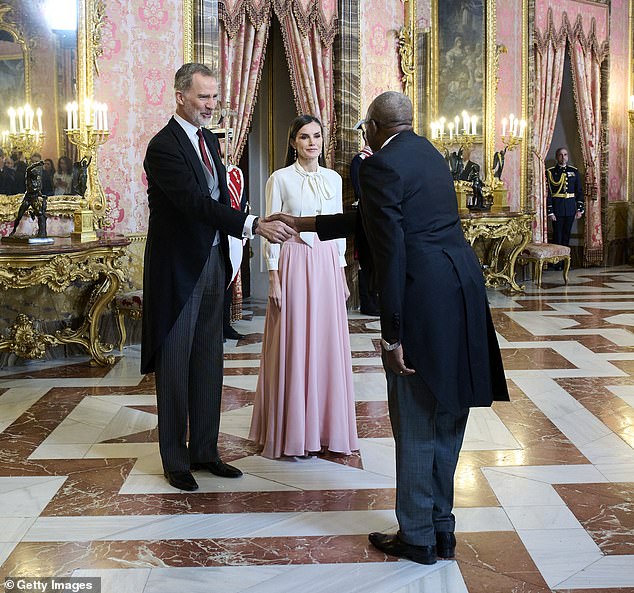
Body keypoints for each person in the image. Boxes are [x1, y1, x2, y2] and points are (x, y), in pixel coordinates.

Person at [269, 92, 509, 565]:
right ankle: (442, 530)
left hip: (422, 299)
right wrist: (302, 222)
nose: (365, 136)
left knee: (416, 417)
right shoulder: (429, 154)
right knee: (448, 416)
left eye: (365, 129)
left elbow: (393, 251)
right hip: (461, 292)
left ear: (375, 127)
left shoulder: (379, 165)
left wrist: (392, 334)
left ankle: (417, 536)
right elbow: (370, 219)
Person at [142, 63, 295, 492]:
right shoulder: (163, 147)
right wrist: (252, 224)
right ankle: (175, 459)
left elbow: (218, 195)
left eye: (214, 97)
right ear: (179, 96)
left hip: (213, 263)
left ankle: (205, 451)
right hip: (176, 268)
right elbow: (194, 203)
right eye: (202, 97)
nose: (211, 106)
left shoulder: (209, 139)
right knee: (175, 364)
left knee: (209, 357)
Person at [248, 115, 358, 460]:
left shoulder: (333, 178)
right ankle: (292, 431)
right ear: (293, 142)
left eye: (317, 136)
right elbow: (270, 230)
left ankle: (326, 429)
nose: (312, 142)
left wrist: (340, 271)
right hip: (294, 263)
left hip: (326, 265)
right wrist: (274, 275)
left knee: (326, 342)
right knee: (292, 342)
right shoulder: (279, 179)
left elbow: (338, 229)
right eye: (304, 137)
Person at [350, 123, 379, 316]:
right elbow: (360, 190)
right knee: (366, 261)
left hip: (381, 218)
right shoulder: (360, 160)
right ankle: (368, 303)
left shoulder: (380, 158)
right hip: (367, 215)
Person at [546, 147, 584, 268]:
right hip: (557, 209)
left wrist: (579, 209)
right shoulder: (551, 172)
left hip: (570, 208)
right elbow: (549, 193)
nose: (563, 157)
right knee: (558, 235)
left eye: (565, 155)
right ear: (557, 157)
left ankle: (565, 263)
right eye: (561, 155)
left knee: (567, 235)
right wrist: (550, 211)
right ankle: (556, 262)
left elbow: (579, 191)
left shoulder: (574, 171)